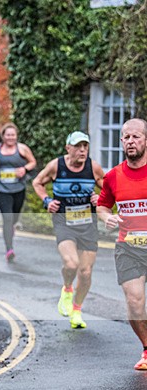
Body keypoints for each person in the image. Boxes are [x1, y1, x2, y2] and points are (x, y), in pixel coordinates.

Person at [32, 131, 105, 329]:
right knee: (71, 264)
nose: (82, 150)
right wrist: (46, 200)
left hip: (87, 224)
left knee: (86, 272)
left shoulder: (93, 167)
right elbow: (37, 182)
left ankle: (77, 310)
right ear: (68, 148)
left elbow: (108, 188)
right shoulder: (56, 166)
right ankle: (67, 289)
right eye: (78, 146)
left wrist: (101, 198)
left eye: (85, 146)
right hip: (64, 221)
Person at [97, 118, 147, 371]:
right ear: (121, 142)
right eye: (126, 137)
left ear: (145, 140)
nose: (131, 141)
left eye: (136, 137)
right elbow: (103, 205)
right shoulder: (113, 176)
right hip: (128, 247)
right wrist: (108, 217)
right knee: (135, 302)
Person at [0, 123, 38, 262]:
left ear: (16, 136)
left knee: (14, 218)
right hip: (1, 189)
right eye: (8, 135)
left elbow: (33, 162)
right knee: (7, 218)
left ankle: (11, 227)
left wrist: (24, 169)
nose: (10, 138)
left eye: (13, 135)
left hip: (18, 189)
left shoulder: (22, 149)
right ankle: (9, 249)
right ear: (3, 136)